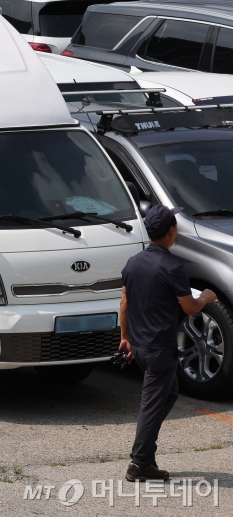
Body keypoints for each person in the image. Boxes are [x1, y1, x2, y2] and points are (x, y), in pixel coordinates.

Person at [119, 204, 217, 482]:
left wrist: (124, 337)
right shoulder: (173, 267)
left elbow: (124, 303)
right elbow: (189, 308)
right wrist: (207, 297)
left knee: (169, 393)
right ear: (171, 231)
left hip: (138, 345)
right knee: (152, 405)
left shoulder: (133, 262)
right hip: (159, 348)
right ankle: (140, 463)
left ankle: (145, 451)